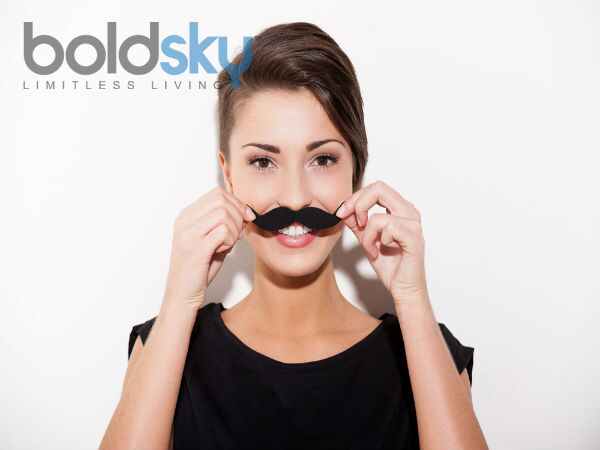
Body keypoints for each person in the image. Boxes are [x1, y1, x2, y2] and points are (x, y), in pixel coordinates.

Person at [100, 21, 488, 450]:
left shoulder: (426, 350)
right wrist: (179, 300)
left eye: (322, 160)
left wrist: (412, 299)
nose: (296, 197)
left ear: (356, 173)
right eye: (263, 162)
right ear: (228, 175)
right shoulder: (167, 345)